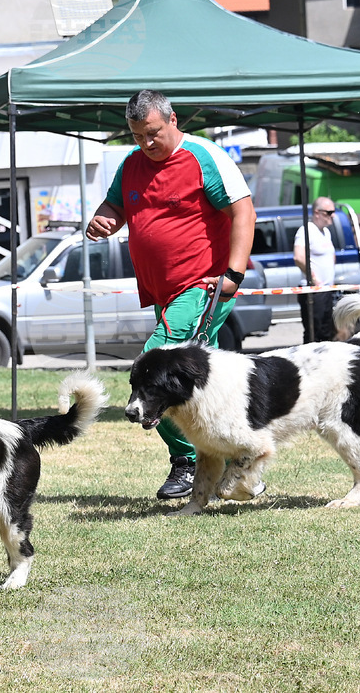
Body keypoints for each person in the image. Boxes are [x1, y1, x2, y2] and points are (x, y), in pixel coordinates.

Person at [86, 89, 255, 501]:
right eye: (137, 136)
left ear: (173, 119)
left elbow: (243, 211)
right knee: (208, 385)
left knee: (155, 366)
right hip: (163, 293)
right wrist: (103, 220)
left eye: (153, 133)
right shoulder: (130, 165)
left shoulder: (203, 156)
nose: (146, 143)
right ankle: (237, 463)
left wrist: (233, 272)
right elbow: (116, 206)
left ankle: (187, 461)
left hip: (201, 287)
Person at [293, 197, 337, 343]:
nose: (333, 216)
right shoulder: (306, 230)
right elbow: (299, 257)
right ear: (317, 212)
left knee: (327, 332)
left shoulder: (326, 232)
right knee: (313, 333)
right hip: (313, 290)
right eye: (329, 212)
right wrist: (313, 278)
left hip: (326, 289)